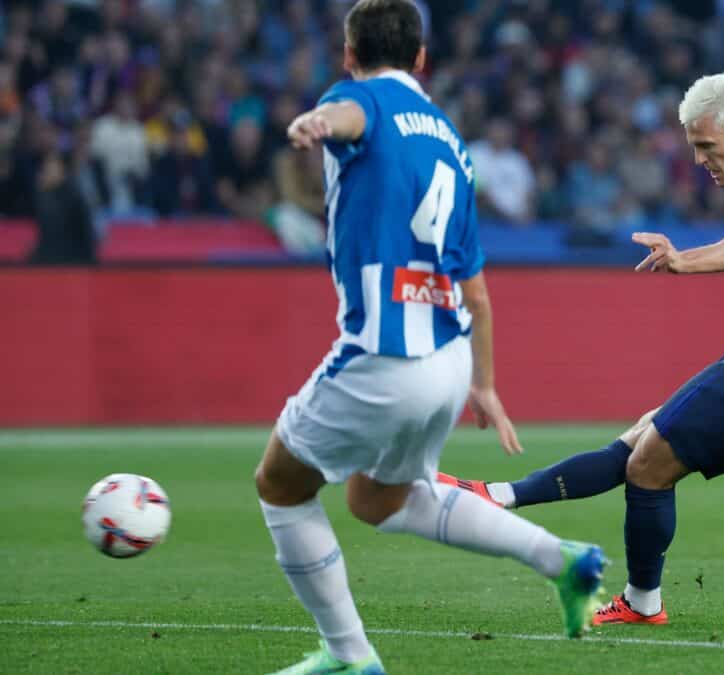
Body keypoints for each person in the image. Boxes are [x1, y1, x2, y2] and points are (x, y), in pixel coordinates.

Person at [253, 3, 606, 674]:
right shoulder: (450, 141)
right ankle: (560, 558)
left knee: (280, 482)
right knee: (378, 497)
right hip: (447, 356)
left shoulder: (358, 101)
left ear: (349, 53)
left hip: (385, 353)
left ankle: (349, 656)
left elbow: (352, 119)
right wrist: (485, 383)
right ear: (422, 59)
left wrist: (320, 121)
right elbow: (476, 286)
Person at [440, 68, 724, 627]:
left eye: (706, 145)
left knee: (648, 465)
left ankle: (641, 602)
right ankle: (497, 496)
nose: (699, 160)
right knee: (644, 437)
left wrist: (684, 259)